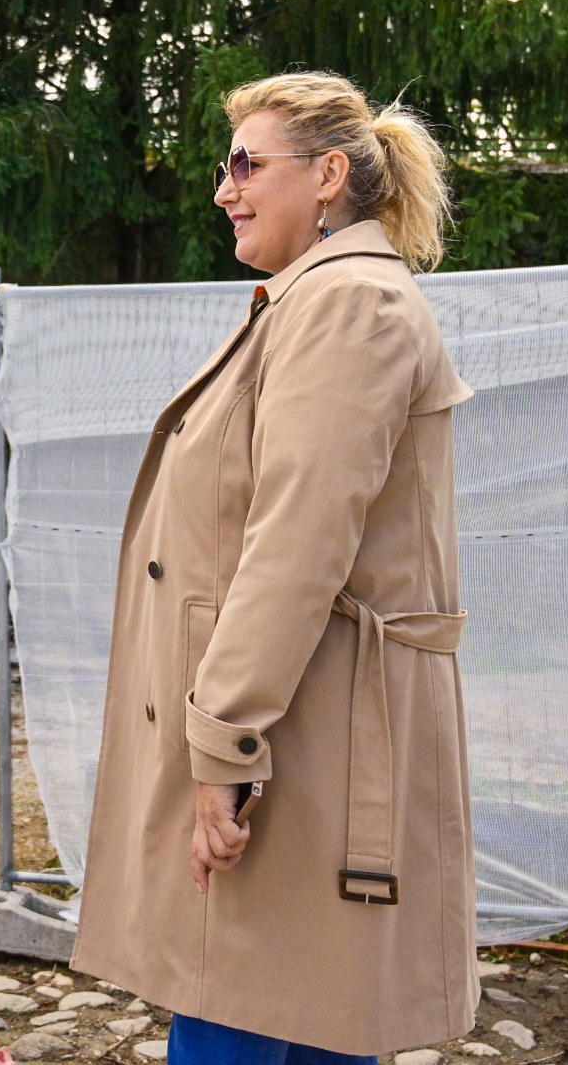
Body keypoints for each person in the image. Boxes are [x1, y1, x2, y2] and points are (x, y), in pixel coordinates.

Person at [70, 72, 478, 1064]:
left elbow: (295, 547)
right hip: (294, 727)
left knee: (256, 1003)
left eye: (246, 164)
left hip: (299, 745)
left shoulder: (348, 306)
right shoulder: (316, 300)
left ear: (329, 175)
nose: (225, 188)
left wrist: (223, 748)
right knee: (297, 1007)